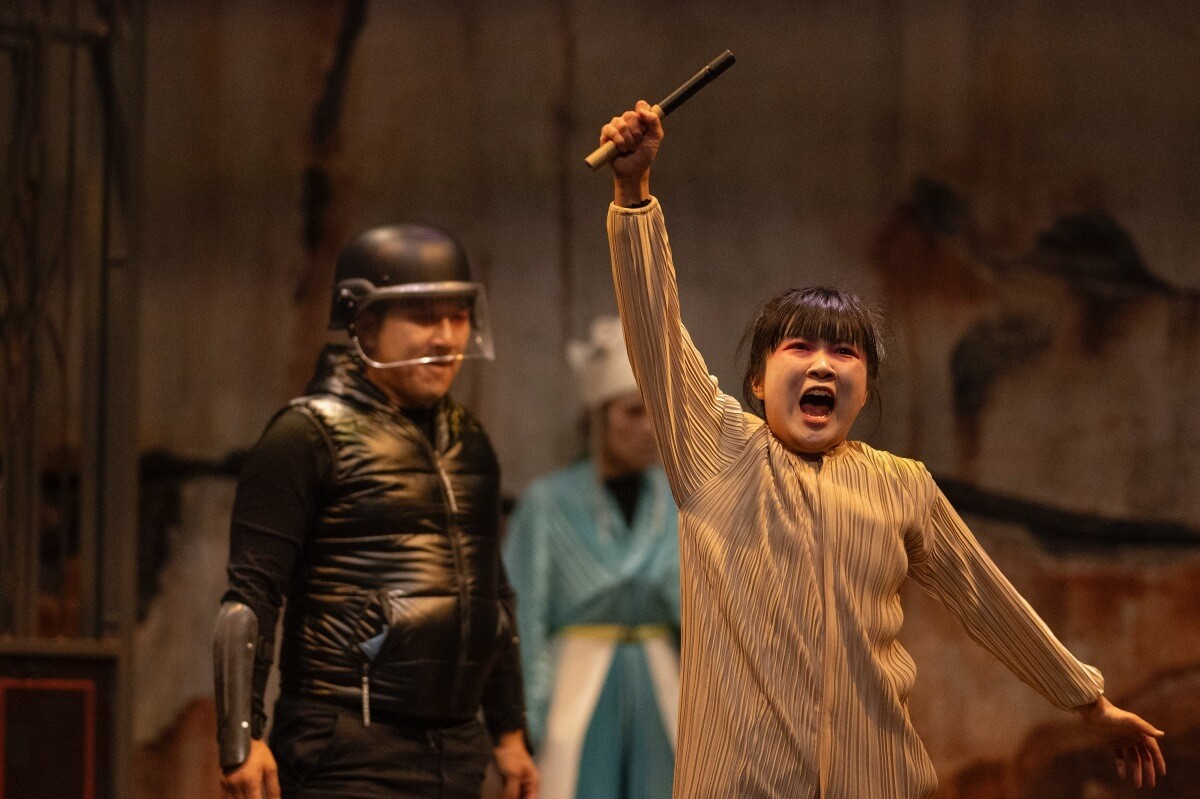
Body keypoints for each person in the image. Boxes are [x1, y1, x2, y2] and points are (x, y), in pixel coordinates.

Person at [597, 101, 1167, 798]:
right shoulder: (715, 450)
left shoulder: (902, 485)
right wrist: (634, 196)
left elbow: (989, 598)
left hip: (881, 778)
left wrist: (1089, 702)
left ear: (864, 389)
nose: (823, 365)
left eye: (845, 353)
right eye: (799, 346)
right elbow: (655, 327)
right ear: (755, 380)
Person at [213, 224, 539, 799]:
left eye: (458, 316)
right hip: (346, 750)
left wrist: (509, 733)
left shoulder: (470, 441)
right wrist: (243, 737)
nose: (445, 338)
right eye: (422, 316)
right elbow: (251, 596)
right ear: (363, 324)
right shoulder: (304, 435)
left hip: (456, 751)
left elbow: (494, 597)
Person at [504, 316, 680, 799]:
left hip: (664, 684)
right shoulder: (548, 502)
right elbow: (526, 614)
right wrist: (522, 724)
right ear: (599, 416)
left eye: (656, 415)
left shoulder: (678, 502)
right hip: (575, 684)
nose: (648, 430)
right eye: (632, 413)